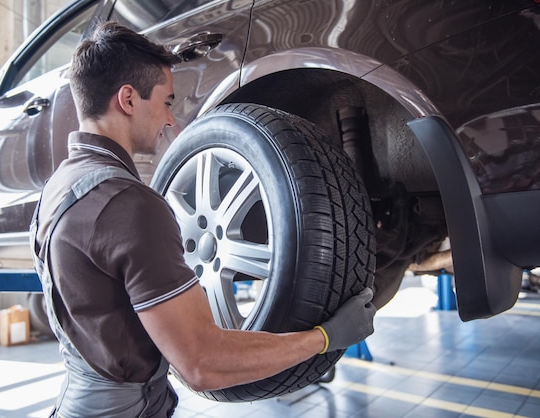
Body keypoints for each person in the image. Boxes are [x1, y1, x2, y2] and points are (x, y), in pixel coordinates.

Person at [30, 21, 376, 417]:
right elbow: (200, 364)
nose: (170, 121)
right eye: (165, 101)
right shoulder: (127, 204)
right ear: (128, 99)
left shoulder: (57, 190)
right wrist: (324, 337)